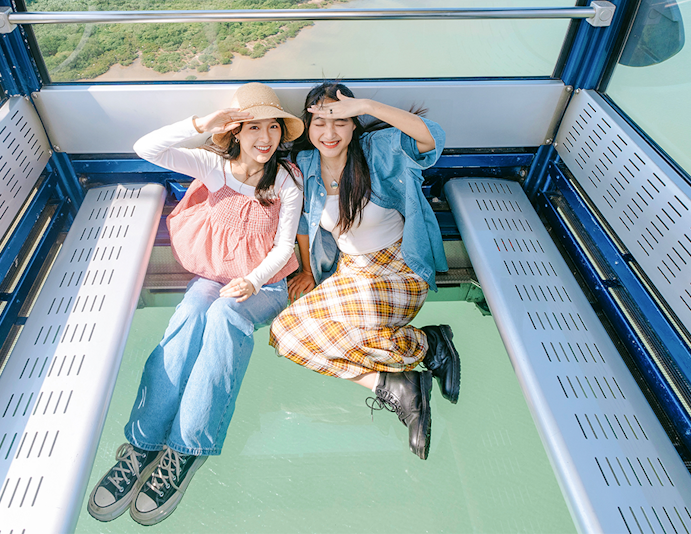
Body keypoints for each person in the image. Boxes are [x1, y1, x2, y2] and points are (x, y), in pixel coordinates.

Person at [88, 83, 304, 526]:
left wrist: (253, 279)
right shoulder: (214, 167)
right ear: (237, 131)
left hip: (266, 286)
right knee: (189, 316)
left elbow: (284, 248)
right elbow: (146, 147)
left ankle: (184, 449)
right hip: (213, 276)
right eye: (254, 128)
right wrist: (203, 124)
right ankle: (143, 444)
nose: (266, 139)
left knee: (225, 317)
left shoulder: (287, 180)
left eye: (274, 128)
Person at [269, 81, 461, 460]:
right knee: (285, 335)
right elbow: (305, 224)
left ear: (354, 124)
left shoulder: (378, 152)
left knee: (359, 324)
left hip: (398, 271)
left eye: (339, 121)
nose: (329, 133)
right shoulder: (306, 165)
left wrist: (367, 104)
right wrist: (307, 268)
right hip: (352, 272)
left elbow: (431, 139)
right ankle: (400, 376)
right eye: (320, 122)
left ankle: (425, 350)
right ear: (308, 127)